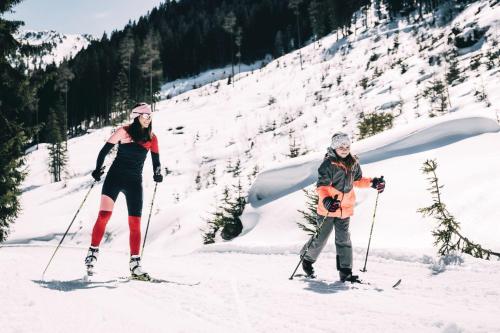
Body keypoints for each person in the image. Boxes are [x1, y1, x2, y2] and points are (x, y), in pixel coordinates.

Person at [84, 102, 163, 279]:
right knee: (104, 216)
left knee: (135, 223)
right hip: (114, 179)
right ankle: (93, 252)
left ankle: (135, 263)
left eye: (150, 115)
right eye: (145, 115)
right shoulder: (124, 131)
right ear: (136, 116)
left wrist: (158, 173)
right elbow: (104, 151)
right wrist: (98, 169)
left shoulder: (152, 138)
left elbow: (156, 162)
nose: (148, 119)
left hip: (134, 183)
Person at [300, 132, 385, 282]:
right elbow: (322, 186)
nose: (344, 149)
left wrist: (373, 182)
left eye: (347, 146)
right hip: (328, 208)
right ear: (334, 147)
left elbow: (357, 180)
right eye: (341, 146)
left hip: (345, 208)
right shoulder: (328, 165)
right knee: (321, 238)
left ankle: (345, 271)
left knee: (344, 239)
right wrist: (326, 200)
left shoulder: (353, 163)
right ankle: (306, 259)